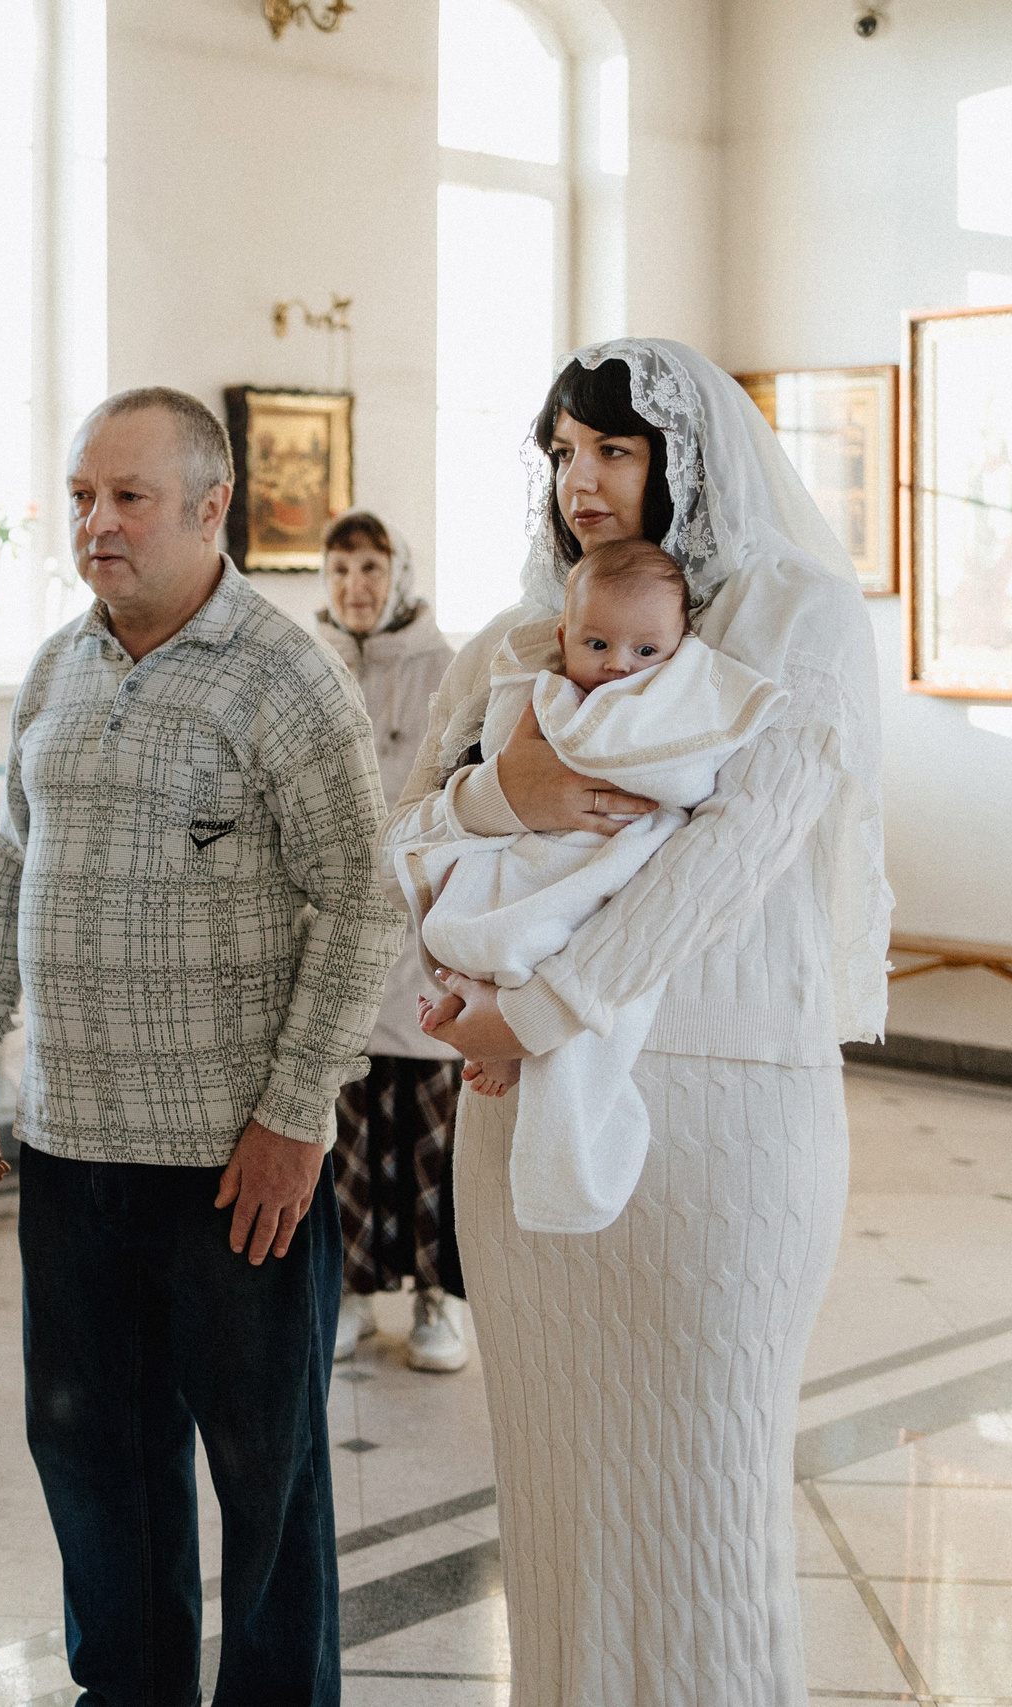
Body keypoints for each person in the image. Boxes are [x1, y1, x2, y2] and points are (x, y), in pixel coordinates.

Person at [392, 337, 887, 1704]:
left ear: (688, 452)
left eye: (615, 448)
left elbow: (731, 861)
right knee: (557, 1501)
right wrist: (511, 802)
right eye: (563, 453)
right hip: (520, 1114)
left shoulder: (798, 614)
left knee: (710, 1497)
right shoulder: (518, 634)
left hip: (726, 1112)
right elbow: (418, 836)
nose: (584, 482)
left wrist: (538, 1006)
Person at [0, 387, 402, 1705]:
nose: (95, 521)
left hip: (231, 1166)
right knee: (92, 1456)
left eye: (127, 497)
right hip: (74, 1147)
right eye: (84, 494)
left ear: (213, 507)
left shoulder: (285, 672)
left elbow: (358, 905)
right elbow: (10, 871)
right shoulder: (63, 666)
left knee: (266, 1478)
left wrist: (294, 1115)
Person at [395, 536, 789, 1233]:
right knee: (485, 901)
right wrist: (498, 793)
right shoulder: (534, 683)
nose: (618, 668)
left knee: (580, 954)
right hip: (548, 850)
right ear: (563, 636)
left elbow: (691, 776)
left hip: (625, 862)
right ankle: (487, 994)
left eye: (646, 652)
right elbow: (410, 826)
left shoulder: (684, 694)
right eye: (597, 644)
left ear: (682, 644)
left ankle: (518, 1039)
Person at [310, 509, 468, 1372]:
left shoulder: (445, 669)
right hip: (339, 938)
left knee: (433, 1134)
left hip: (424, 931)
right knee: (349, 1136)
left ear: (399, 574)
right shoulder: (309, 667)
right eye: (339, 572)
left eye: (370, 569)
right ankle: (359, 1297)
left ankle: (439, 1302)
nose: (355, 589)